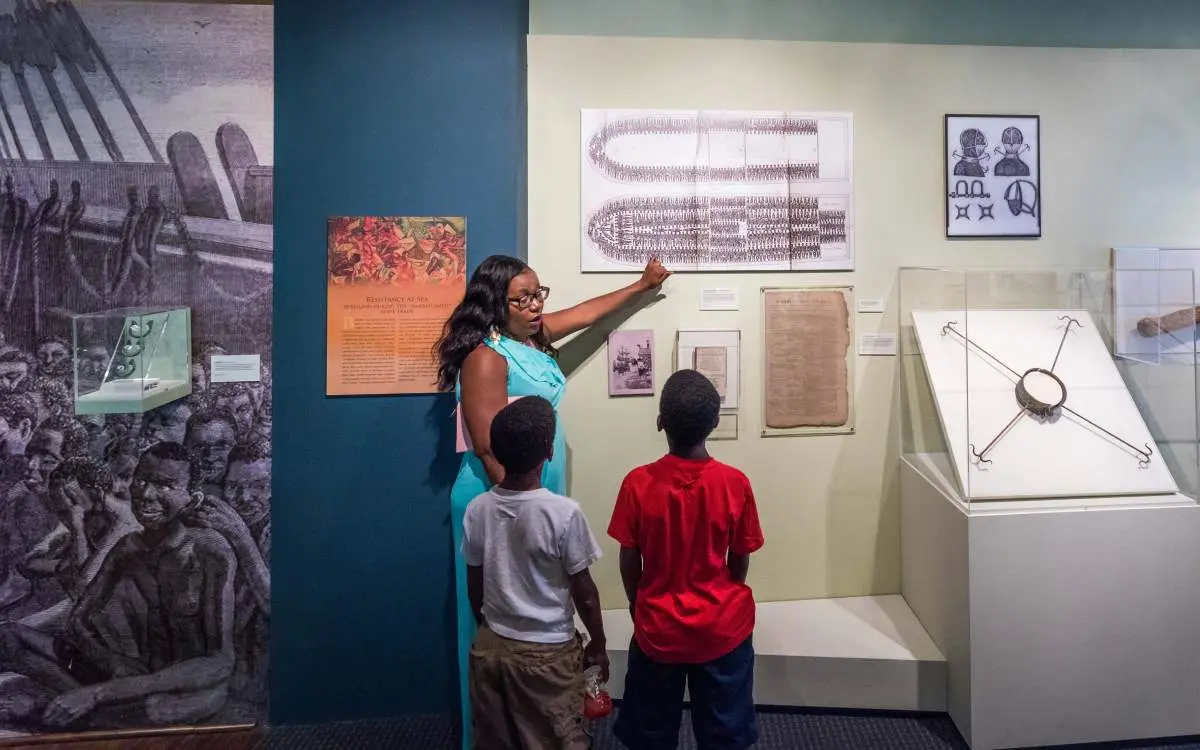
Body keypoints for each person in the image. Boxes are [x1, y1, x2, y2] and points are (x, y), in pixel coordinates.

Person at [435, 253, 670, 748]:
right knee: (496, 620)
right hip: (499, 502)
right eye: (522, 299)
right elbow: (484, 443)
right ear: (496, 304)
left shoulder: (529, 338)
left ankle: (537, 720)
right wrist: (526, 506)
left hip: (532, 498)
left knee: (536, 611)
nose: (536, 305)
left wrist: (641, 286)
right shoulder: (486, 355)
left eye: (539, 294)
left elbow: (585, 314)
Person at [608, 370, 765, 750]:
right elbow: (740, 557)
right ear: (714, 422)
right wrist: (728, 592)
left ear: (661, 421)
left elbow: (630, 559)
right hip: (721, 626)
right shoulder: (735, 483)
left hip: (658, 626)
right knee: (725, 732)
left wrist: (636, 602)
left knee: (650, 731)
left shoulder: (637, 483)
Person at [462, 396, 607, 750]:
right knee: (555, 739)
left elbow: (475, 583)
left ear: (494, 450)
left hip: (492, 646)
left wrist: (488, 626)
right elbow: (584, 590)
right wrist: (599, 644)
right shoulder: (563, 513)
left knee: (497, 738)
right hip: (546, 653)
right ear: (549, 451)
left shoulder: (478, 508)